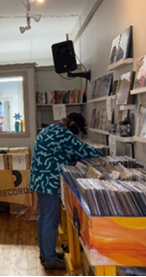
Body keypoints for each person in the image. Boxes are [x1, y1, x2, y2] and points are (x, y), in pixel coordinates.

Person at [29, 112, 105, 270]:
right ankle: (49, 258)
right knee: (50, 220)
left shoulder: (50, 129)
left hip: (40, 180)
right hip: (49, 182)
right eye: (77, 129)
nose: (76, 133)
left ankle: (46, 252)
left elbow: (65, 154)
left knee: (44, 219)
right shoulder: (62, 133)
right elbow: (82, 150)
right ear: (71, 124)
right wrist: (104, 158)